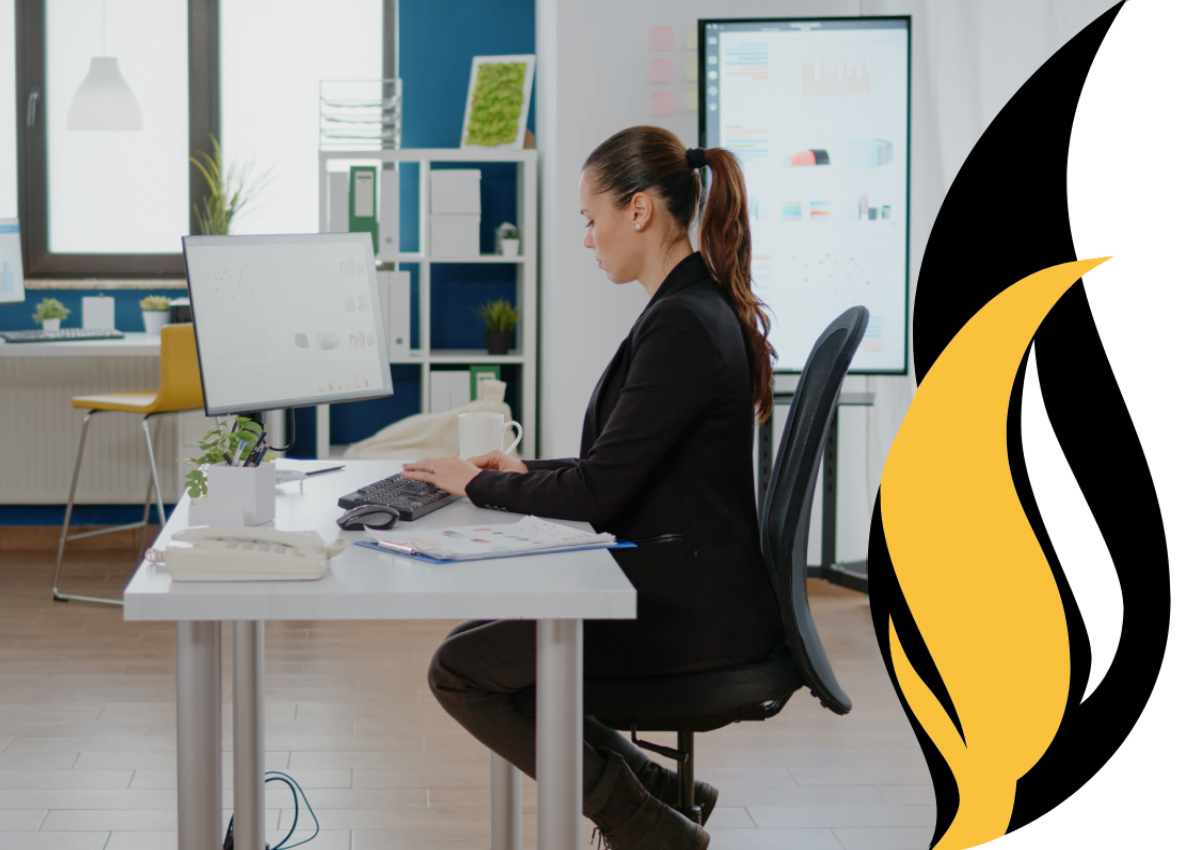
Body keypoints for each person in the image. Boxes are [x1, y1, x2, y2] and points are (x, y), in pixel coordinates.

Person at [401, 125, 783, 850]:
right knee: (473, 643)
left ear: (637, 210)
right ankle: (668, 793)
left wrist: (476, 487)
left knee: (460, 672)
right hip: (689, 585)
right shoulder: (689, 307)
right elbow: (613, 466)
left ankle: (649, 829)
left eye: (589, 217)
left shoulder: (681, 324)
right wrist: (518, 473)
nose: (586, 237)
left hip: (682, 610)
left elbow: (595, 494)